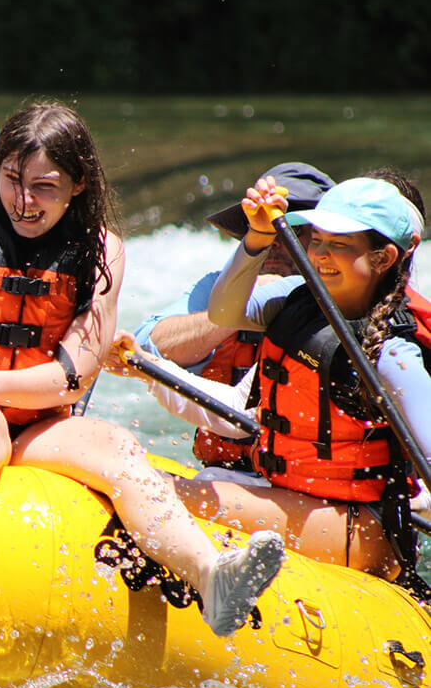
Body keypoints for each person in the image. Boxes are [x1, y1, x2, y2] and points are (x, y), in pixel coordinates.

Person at [0, 101, 284, 637]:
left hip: (34, 422)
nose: (24, 201)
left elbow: (71, 375)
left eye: (44, 186)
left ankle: (212, 578)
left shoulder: (101, 251)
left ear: (78, 184)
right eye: (11, 179)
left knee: (118, 447)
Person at [202, 176, 430, 579]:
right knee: (188, 481)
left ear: (383, 258)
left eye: (339, 245)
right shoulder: (294, 300)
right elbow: (222, 313)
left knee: (177, 495)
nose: (321, 254)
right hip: (293, 497)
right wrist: (256, 237)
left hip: (360, 527)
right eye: (317, 239)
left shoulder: (392, 352)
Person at [133, 162, 334, 472]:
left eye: (291, 229)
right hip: (228, 473)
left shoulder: (347, 300)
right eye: (264, 228)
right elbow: (148, 348)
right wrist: (238, 308)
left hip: (310, 482)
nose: (275, 241)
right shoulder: (220, 287)